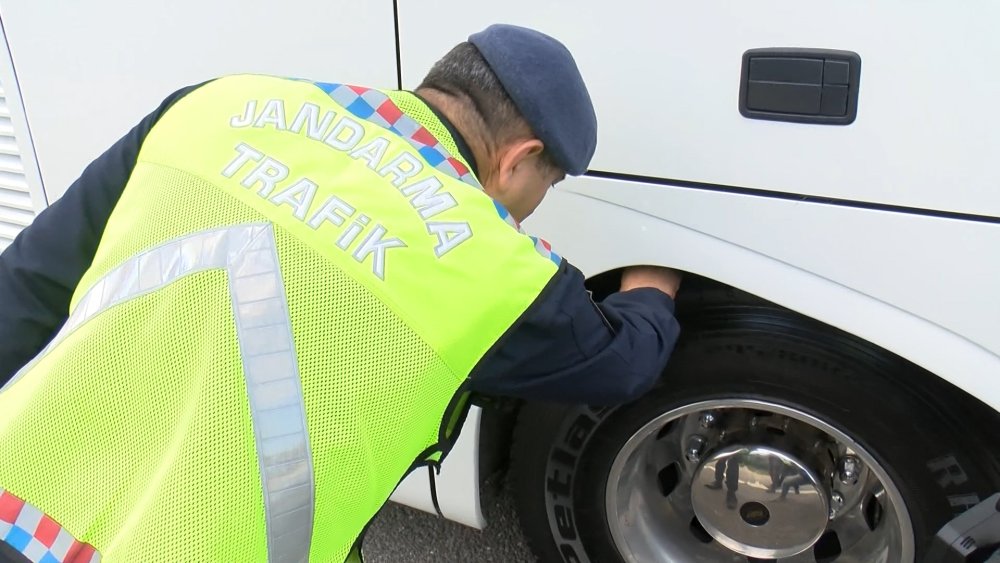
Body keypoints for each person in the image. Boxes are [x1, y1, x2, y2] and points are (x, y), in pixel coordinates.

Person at [0, 23, 682, 562]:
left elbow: (28, 285)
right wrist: (655, 278)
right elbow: (624, 361)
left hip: (19, 501)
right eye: (548, 183)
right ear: (518, 158)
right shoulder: (494, 268)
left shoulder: (212, 105)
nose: (536, 203)